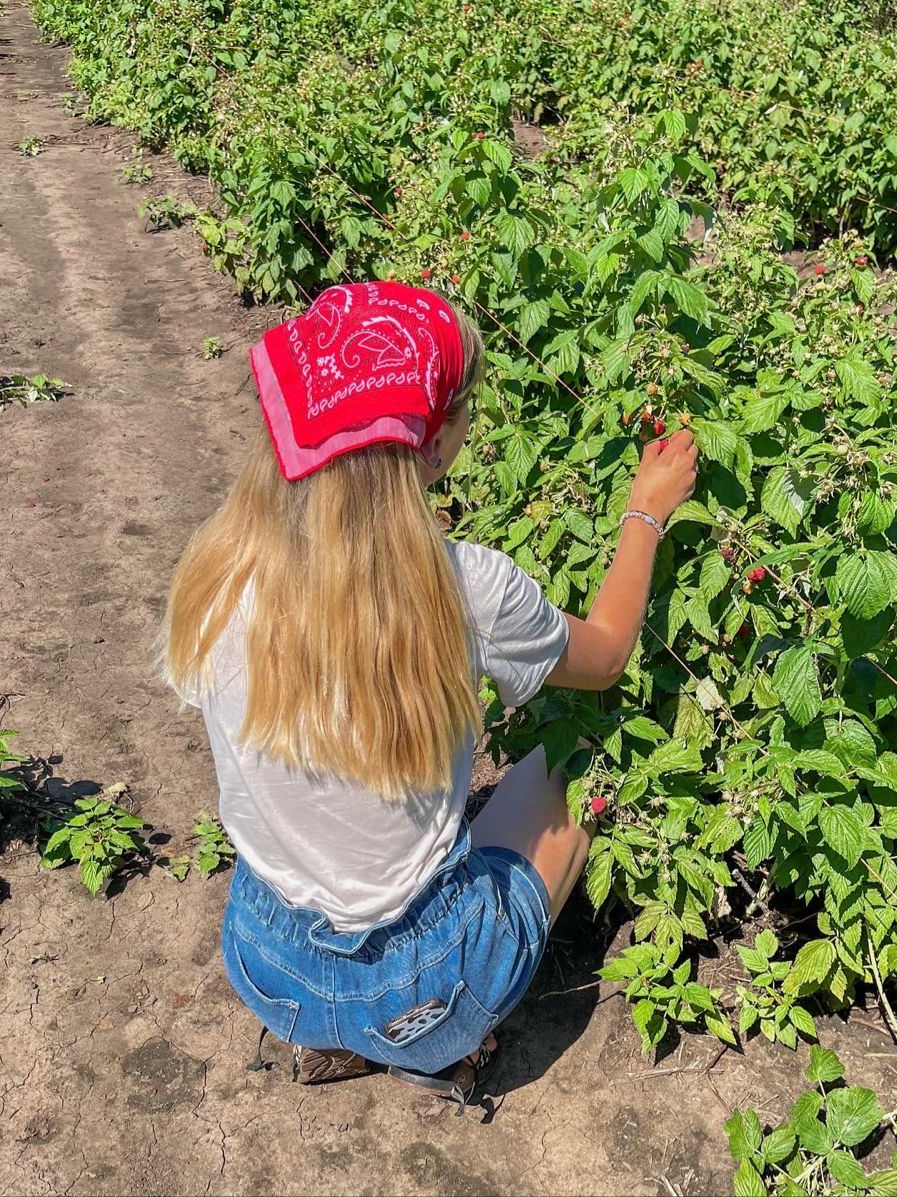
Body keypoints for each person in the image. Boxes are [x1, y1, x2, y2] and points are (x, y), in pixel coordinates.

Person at [162, 281, 698, 1110]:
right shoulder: (459, 588)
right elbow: (609, 655)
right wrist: (646, 512)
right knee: (579, 768)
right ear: (436, 440)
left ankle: (330, 1039)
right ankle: (441, 1051)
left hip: (267, 964)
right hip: (428, 986)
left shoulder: (215, 571)